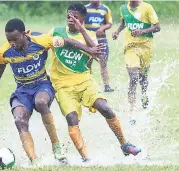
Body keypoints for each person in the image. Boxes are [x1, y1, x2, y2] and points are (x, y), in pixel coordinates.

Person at [0, 18, 103, 165]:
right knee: (19, 120)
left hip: (42, 84)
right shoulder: (4, 52)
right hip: (22, 90)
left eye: (15, 39)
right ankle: (34, 160)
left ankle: (56, 146)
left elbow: (68, 41)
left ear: (24, 34)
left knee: (41, 102)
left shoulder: (41, 41)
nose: (12, 43)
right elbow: (1, 64)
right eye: (9, 40)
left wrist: (89, 50)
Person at [48, 3, 141, 162]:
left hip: (85, 81)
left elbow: (100, 57)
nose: (71, 20)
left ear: (83, 19)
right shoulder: (57, 31)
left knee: (105, 108)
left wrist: (82, 30)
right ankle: (86, 158)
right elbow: (53, 43)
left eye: (76, 18)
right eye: (69, 16)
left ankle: (124, 144)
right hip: (62, 86)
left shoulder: (89, 35)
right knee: (72, 119)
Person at [112, 0, 161, 122]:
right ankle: (132, 111)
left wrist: (142, 31)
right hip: (130, 47)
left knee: (143, 79)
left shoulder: (147, 7)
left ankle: (144, 95)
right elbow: (124, 22)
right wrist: (117, 31)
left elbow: (157, 27)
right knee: (133, 76)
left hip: (145, 48)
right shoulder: (123, 8)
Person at [85, 0, 114, 92]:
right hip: (88, 40)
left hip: (101, 39)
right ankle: (88, 84)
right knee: (87, 62)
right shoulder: (85, 9)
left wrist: (102, 28)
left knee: (103, 61)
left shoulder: (105, 9)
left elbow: (109, 23)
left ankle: (106, 85)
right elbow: (80, 23)